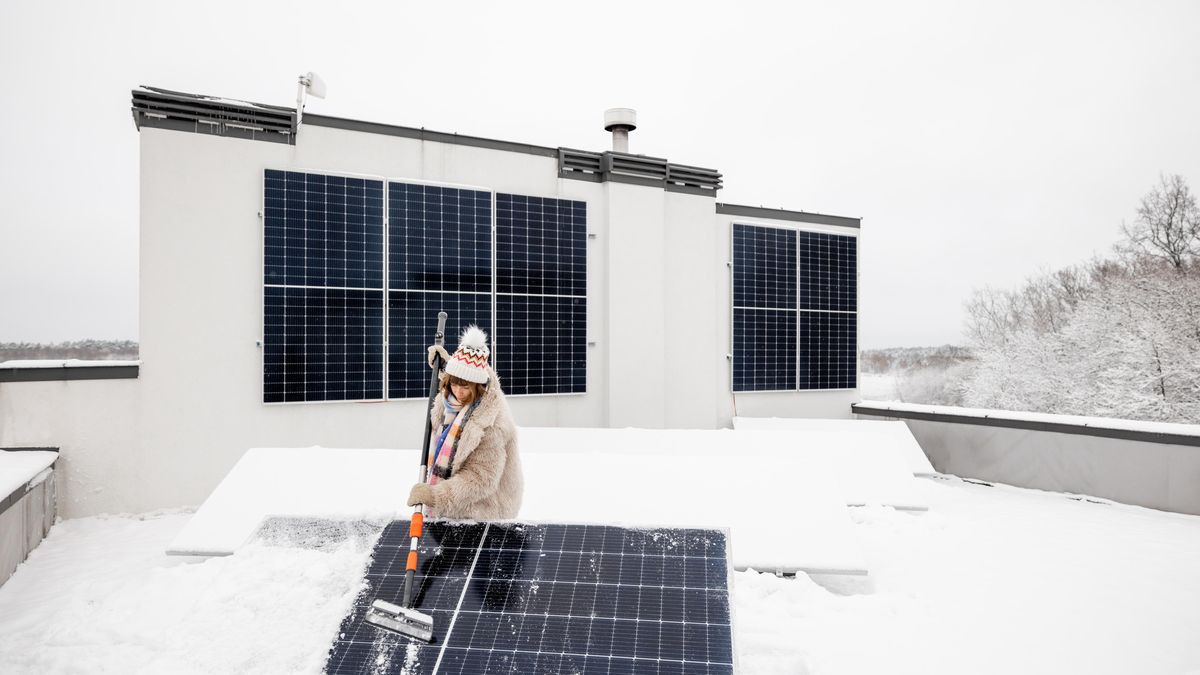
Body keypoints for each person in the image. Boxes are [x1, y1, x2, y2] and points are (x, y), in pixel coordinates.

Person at [406, 325, 523, 520]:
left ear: (478, 387)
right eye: (453, 383)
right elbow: (463, 375)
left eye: (465, 387)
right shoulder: (453, 400)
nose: (458, 393)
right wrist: (442, 366)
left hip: (486, 510)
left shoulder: (492, 424)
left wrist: (435, 495)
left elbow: (480, 479)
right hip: (459, 503)